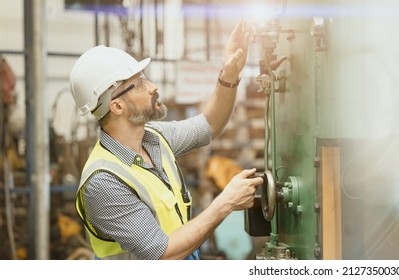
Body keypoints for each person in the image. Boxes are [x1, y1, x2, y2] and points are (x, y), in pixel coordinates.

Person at [69, 20, 263, 260]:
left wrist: (230, 73)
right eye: (139, 84)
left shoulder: (154, 138)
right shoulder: (103, 182)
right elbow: (162, 253)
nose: (152, 86)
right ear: (117, 106)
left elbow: (210, 125)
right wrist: (225, 203)